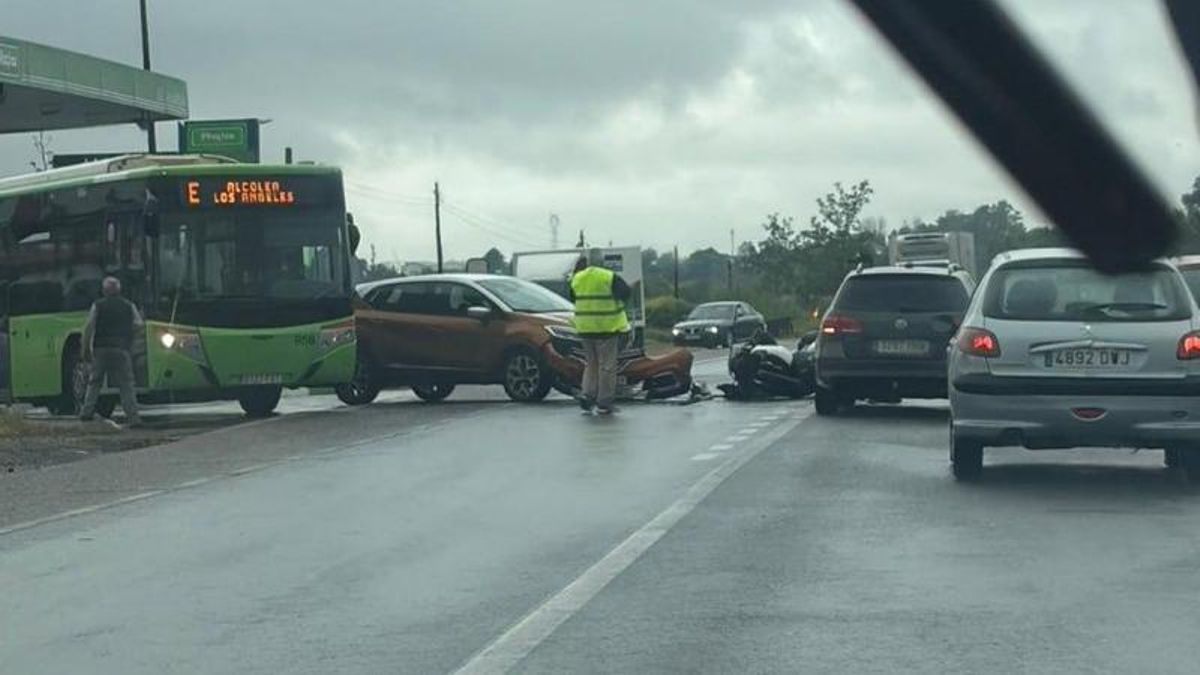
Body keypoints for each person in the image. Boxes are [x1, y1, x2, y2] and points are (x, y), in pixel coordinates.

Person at [569, 249, 632, 415]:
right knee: (607, 366)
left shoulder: (578, 278)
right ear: (601, 261)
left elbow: (573, 298)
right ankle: (604, 402)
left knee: (591, 364)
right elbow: (626, 293)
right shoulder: (609, 277)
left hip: (585, 329)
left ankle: (587, 395)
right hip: (606, 328)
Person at [80, 276, 143, 426]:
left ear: (104, 291)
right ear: (119, 290)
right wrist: (130, 339)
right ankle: (133, 417)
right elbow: (139, 325)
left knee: (95, 382)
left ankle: (86, 412)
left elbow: (89, 327)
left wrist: (86, 349)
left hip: (101, 349)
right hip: (121, 349)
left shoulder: (98, 305)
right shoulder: (129, 306)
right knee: (126, 384)